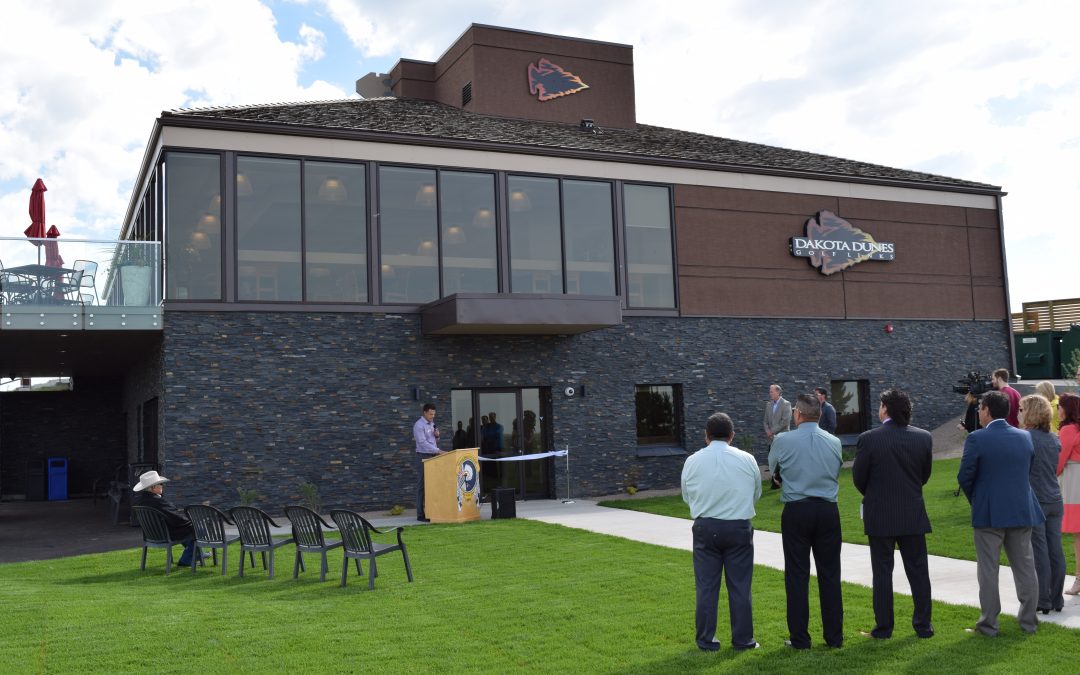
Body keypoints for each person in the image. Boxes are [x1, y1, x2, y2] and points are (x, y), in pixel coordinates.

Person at [956, 390, 1044, 635]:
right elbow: (1027, 470)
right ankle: (1028, 622)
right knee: (1025, 566)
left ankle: (989, 624)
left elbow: (964, 476)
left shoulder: (977, 438)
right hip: (1021, 509)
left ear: (986, 410)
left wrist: (979, 499)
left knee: (988, 569)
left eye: (980, 408)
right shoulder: (1024, 437)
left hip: (990, 513)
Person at [852, 389, 934, 639]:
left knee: (882, 573)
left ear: (885, 408)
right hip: (911, 512)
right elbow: (924, 475)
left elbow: (859, 478)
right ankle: (923, 626)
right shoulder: (923, 437)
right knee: (919, 572)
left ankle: (884, 628)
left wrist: (876, 493)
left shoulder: (869, 438)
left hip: (881, 514)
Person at [681, 412, 762, 652]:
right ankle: (743, 640)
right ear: (732, 435)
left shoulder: (692, 461)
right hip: (738, 527)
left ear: (706, 436)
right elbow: (755, 492)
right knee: (740, 586)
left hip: (706, 527)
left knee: (706, 586)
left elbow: (687, 495)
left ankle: (706, 640)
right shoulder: (747, 459)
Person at [768, 393, 844, 649]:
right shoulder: (834, 441)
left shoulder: (782, 440)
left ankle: (800, 639)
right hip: (827, 511)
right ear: (819, 414)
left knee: (797, 575)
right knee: (831, 575)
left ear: (796, 414)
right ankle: (834, 638)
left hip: (797, 511)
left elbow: (773, 470)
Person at [1019, 394, 1065, 613]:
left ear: (1030, 412)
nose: (1018, 413)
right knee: (1055, 550)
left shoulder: (1025, 437)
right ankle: (1057, 600)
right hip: (1055, 498)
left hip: (1036, 500)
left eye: (1021, 409)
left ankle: (1044, 600)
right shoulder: (1054, 438)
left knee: (1041, 552)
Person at [130, 470, 203, 566]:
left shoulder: (140, 501)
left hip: (152, 535)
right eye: (160, 484)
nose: (162, 486)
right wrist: (192, 522)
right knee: (198, 528)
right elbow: (176, 518)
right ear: (153, 487)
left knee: (190, 529)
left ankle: (196, 554)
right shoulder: (158, 501)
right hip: (167, 534)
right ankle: (186, 560)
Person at [1057, 393, 1080, 595]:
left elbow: (1058, 462)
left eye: (1060, 406)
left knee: (1078, 535)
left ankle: (1079, 579)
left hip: (1075, 483)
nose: (1057, 410)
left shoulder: (1068, 430)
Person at [413, 402, 444, 522]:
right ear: (425, 412)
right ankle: (420, 514)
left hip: (433, 456)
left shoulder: (432, 424)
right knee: (421, 486)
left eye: (434, 414)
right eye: (431, 414)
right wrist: (438, 450)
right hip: (423, 456)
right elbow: (422, 443)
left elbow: (433, 439)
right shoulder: (418, 425)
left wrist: (437, 436)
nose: (432, 416)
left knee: (432, 485)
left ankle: (433, 511)